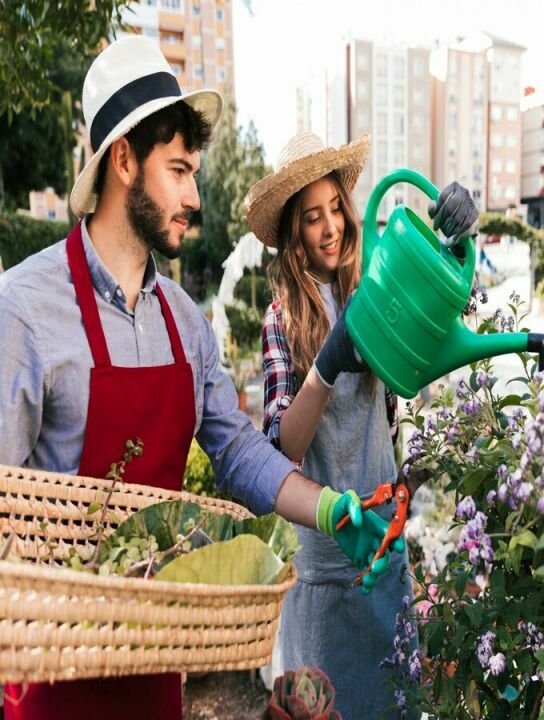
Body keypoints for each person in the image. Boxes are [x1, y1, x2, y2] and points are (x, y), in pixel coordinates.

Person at [0, 37, 399, 720]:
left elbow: (241, 454)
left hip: (158, 674)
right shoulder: (25, 309)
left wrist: (328, 508)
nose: (193, 195)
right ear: (123, 160)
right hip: (48, 683)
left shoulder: (184, 323)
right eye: (179, 171)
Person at [244, 131, 479, 719]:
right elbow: (282, 449)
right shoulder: (281, 320)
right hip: (321, 580)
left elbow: (450, 315)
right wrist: (324, 368)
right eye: (311, 218)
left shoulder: (375, 285)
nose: (330, 229)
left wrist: (454, 236)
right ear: (292, 234)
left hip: (385, 559)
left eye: (335, 211)